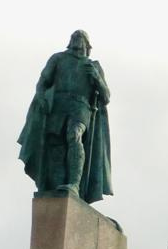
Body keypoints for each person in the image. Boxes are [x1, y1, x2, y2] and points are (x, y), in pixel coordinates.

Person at [18, 30, 112, 202]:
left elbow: (106, 97)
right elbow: (43, 82)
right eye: (74, 38)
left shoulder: (93, 66)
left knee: (74, 135)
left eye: (80, 38)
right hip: (59, 106)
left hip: (81, 107)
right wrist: (41, 98)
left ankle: (74, 184)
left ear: (87, 45)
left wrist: (97, 78)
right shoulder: (58, 59)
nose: (76, 40)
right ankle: (57, 184)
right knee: (56, 146)